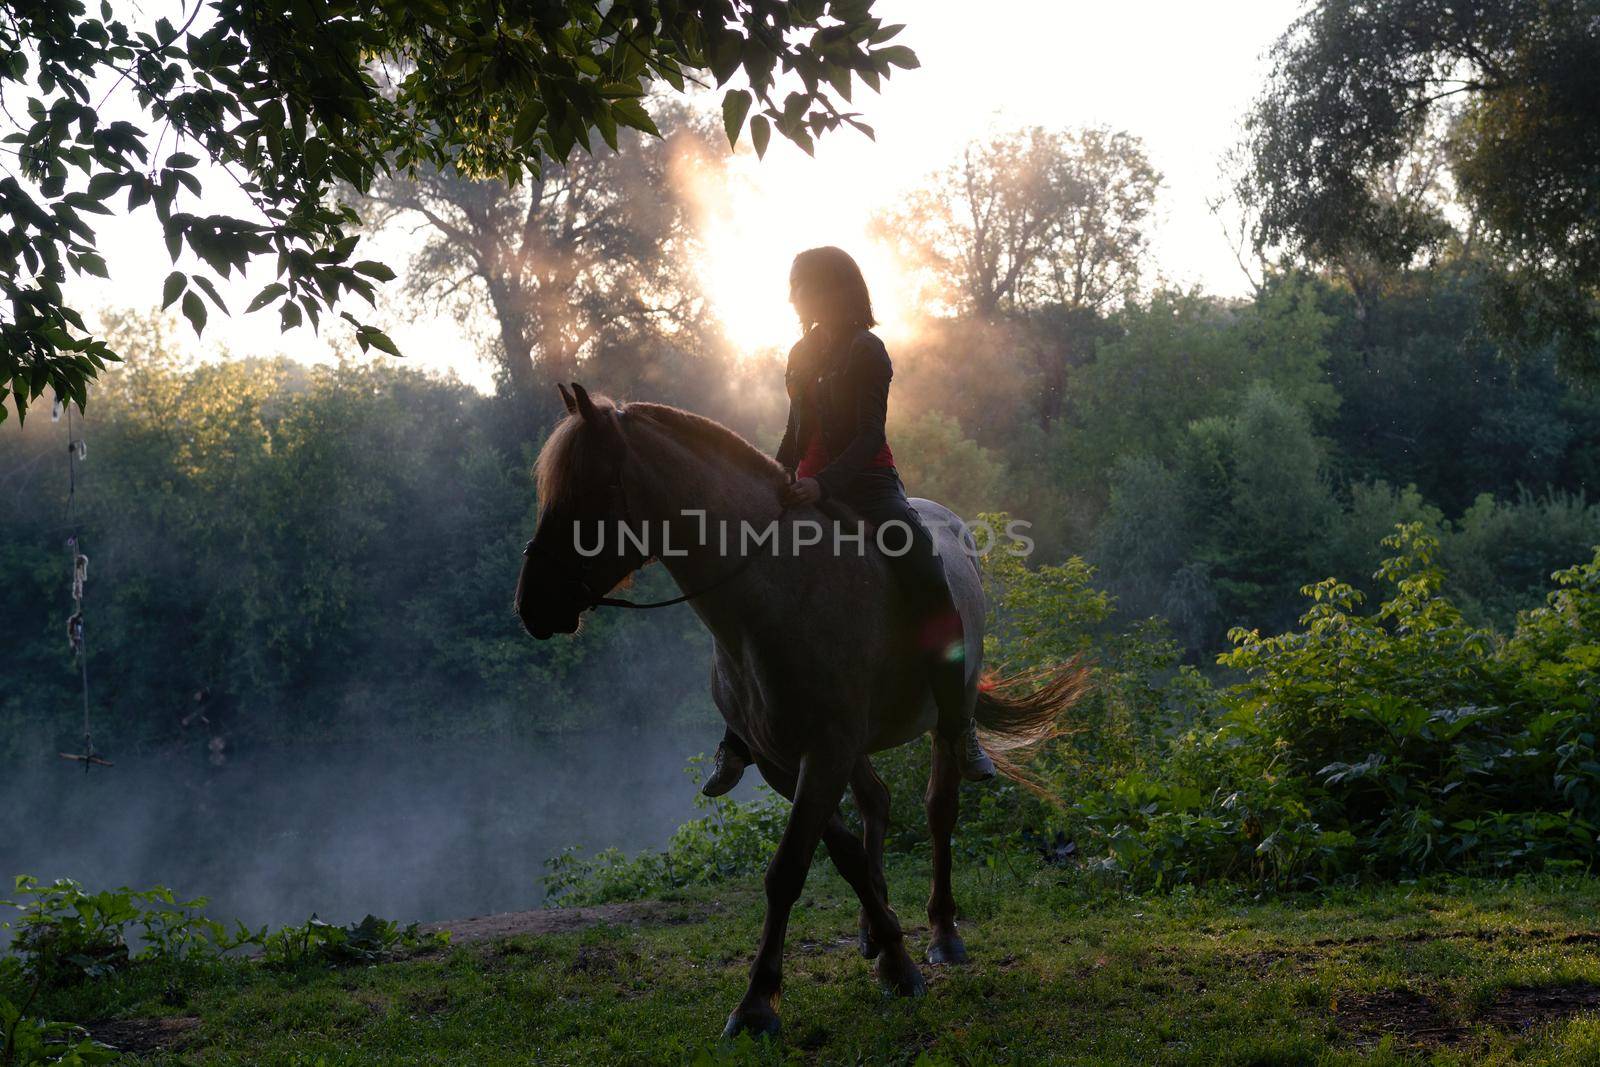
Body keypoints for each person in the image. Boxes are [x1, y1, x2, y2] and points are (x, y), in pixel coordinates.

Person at [700, 246, 996, 797]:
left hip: (868, 489)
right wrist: (771, 481)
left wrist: (822, 484)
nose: (792, 297)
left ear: (831, 290)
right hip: (806, 489)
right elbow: (794, 434)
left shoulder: (868, 351)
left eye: (800, 286)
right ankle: (738, 736)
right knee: (749, 586)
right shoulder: (801, 351)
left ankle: (959, 729)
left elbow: (868, 438)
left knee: (930, 583)